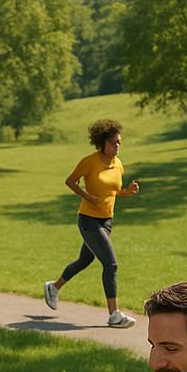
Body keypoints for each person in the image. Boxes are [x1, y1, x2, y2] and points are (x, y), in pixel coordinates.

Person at [44, 118, 139, 329]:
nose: (117, 146)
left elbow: (113, 190)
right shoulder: (89, 162)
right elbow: (70, 181)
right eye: (113, 142)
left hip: (107, 221)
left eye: (119, 142)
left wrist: (127, 192)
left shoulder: (118, 164)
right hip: (88, 221)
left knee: (84, 260)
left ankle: (54, 287)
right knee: (111, 264)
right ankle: (114, 314)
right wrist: (87, 196)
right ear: (102, 143)